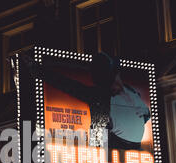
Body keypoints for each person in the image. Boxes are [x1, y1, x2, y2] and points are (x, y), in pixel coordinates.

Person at [20, 52, 150, 150]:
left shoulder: (131, 91)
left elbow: (146, 114)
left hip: (131, 147)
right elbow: (66, 84)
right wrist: (37, 69)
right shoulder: (100, 95)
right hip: (118, 147)